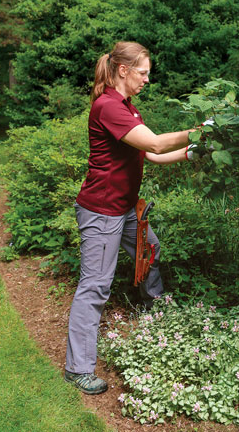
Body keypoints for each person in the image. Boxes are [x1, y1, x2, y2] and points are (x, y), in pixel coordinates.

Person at [64, 41, 203, 395]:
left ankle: (153, 310)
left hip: (124, 208)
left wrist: (195, 151)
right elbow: (156, 144)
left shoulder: (127, 106)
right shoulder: (108, 106)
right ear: (123, 70)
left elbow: (153, 156)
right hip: (102, 210)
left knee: (150, 251)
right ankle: (77, 369)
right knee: (95, 286)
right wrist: (201, 130)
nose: (146, 80)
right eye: (142, 73)